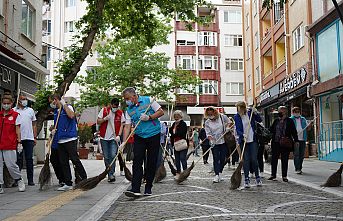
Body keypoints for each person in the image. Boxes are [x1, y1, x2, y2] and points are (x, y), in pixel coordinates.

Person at [121, 87, 164, 197]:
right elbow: (127, 126)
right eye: (125, 99)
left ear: (134, 96)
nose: (126, 101)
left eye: (127, 98)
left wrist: (149, 117)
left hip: (153, 134)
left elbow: (161, 112)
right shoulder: (129, 110)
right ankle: (135, 188)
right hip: (139, 136)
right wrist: (124, 142)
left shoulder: (148, 100)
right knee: (137, 161)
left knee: (151, 161)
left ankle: (148, 186)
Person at [49, 94, 87, 191]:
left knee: (75, 159)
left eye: (52, 101)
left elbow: (71, 115)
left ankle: (84, 178)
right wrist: (53, 130)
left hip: (70, 138)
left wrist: (64, 104)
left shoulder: (68, 107)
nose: (51, 104)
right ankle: (68, 182)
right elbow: (58, 124)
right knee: (63, 162)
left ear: (56, 100)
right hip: (60, 140)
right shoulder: (56, 112)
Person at [0, 93, 25, 194]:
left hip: (9, 144)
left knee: (11, 165)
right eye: (4, 103)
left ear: (11, 104)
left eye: (7, 103)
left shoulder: (15, 115)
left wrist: (19, 142)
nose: (5, 105)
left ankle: (19, 179)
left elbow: (17, 130)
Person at [233, 101, 262, 188]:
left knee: (254, 159)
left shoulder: (250, 113)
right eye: (238, 109)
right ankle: (246, 179)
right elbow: (238, 129)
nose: (239, 111)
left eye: (240, 109)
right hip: (244, 141)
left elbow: (259, 120)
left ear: (243, 108)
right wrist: (242, 135)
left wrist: (256, 112)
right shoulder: (236, 116)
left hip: (252, 140)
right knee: (246, 160)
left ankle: (257, 177)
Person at [97, 98, 125, 182]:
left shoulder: (120, 113)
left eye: (116, 107)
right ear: (111, 104)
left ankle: (111, 174)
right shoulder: (104, 110)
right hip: (104, 137)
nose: (115, 109)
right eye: (113, 107)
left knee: (113, 155)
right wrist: (105, 119)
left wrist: (119, 135)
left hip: (114, 138)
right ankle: (109, 173)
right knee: (106, 156)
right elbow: (98, 121)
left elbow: (122, 124)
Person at [268, 106, 299, 182]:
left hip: (285, 143)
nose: (280, 113)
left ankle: (284, 176)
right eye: (279, 111)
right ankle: (273, 175)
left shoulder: (289, 121)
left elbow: (294, 131)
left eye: (282, 111)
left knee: (284, 160)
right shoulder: (276, 121)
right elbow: (271, 130)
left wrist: (296, 141)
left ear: (285, 112)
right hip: (276, 142)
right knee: (274, 159)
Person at [14, 94, 37, 186]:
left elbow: (34, 124)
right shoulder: (14, 111)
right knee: (18, 160)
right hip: (18, 139)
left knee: (29, 159)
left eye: (25, 99)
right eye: (23, 99)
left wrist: (35, 137)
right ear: (18, 101)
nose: (25, 101)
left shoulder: (30, 110)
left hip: (29, 138)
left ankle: (30, 180)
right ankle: (17, 180)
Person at [204, 106, 230, 183]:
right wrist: (211, 140)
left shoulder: (222, 117)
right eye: (208, 115)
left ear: (215, 113)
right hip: (214, 142)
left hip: (223, 141)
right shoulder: (207, 122)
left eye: (211, 114)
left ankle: (220, 172)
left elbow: (230, 122)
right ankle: (216, 175)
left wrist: (228, 127)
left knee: (222, 158)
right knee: (216, 158)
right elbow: (208, 133)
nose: (210, 116)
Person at [290, 107, 310, 174]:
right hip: (295, 139)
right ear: (293, 112)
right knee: (296, 154)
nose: (297, 113)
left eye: (298, 111)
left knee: (301, 155)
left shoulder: (303, 119)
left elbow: (308, 128)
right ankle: (297, 168)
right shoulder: (290, 119)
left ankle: (300, 168)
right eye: (295, 111)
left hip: (302, 139)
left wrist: (310, 125)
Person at [169, 110, 188, 178]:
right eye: (175, 116)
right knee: (177, 159)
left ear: (181, 116)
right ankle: (178, 172)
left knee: (182, 158)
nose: (176, 118)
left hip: (182, 143)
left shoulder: (183, 124)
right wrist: (170, 129)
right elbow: (171, 132)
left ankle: (185, 172)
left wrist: (173, 135)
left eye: (177, 116)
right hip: (175, 143)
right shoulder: (174, 124)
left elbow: (181, 133)